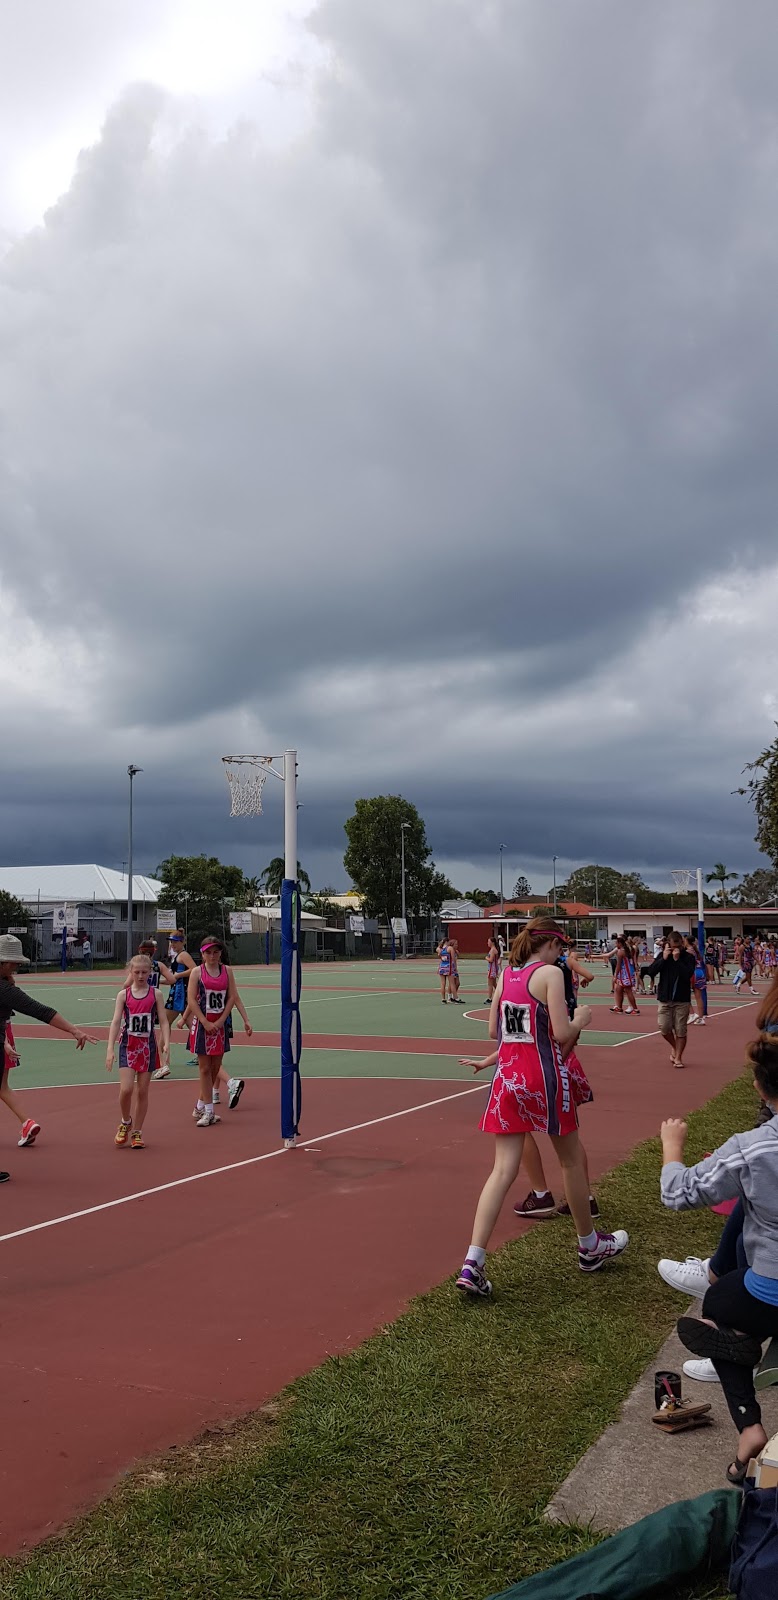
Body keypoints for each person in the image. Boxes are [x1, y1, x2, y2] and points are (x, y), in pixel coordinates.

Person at [455, 918, 628, 1295]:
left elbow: (494, 1031)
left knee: (501, 1170)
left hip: (508, 1078)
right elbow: (563, 1033)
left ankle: (473, 1261)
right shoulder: (549, 973)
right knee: (568, 1159)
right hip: (544, 1077)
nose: (561, 954)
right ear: (549, 944)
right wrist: (582, 1017)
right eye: (560, 947)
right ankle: (589, 1245)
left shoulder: (506, 976)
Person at [660, 1032, 778, 1483]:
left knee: (718, 1309)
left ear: (760, 1088)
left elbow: (678, 1193)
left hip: (767, 1293)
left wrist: (672, 1147)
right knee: (730, 1306)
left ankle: (749, 1425)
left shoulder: (751, 1149)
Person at [512, 943, 600, 1221]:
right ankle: (583, 1197)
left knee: (522, 1127)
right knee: (569, 1140)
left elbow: (521, 1037)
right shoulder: (554, 978)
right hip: (556, 1062)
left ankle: (541, 1195)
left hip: (543, 1067)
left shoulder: (533, 982)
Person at [0, 933, 97, 1158]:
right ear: (3, 962)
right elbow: (40, 1011)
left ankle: (26, 1123)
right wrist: (73, 1030)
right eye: (13, 962)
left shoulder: (5, 987)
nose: (16, 966)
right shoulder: (5, 990)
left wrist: (3, 1041)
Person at [106, 953, 170, 1148]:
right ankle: (126, 1121)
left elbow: (164, 1020)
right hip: (128, 1045)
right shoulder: (123, 995)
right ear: (130, 972)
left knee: (142, 1091)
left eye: (144, 972)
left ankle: (138, 1132)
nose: (141, 976)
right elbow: (116, 1021)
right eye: (137, 972)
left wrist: (166, 1042)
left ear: (150, 972)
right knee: (126, 1089)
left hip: (147, 1047)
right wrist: (110, 1049)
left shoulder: (155, 994)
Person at [186, 936, 245, 1126]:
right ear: (202, 954)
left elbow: (232, 997)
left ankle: (200, 1105)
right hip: (203, 1025)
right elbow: (192, 1000)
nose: (212, 956)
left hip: (219, 1025)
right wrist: (204, 1021)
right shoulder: (197, 972)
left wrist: (220, 1021)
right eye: (208, 952)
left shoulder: (227, 971)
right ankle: (209, 1111)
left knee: (215, 1067)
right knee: (204, 1067)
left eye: (216, 952)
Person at [645, 934, 696, 1067]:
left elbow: (687, 975)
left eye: (678, 946)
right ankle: (675, 1047)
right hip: (665, 999)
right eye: (673, 946)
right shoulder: (663, 956)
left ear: (682, 944)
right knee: (664, 1028)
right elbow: (651, 971)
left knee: (681, 1030)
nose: (676, 949)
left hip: (682, 999)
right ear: (668, 944)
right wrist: (664, 958)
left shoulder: (688, 957)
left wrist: (677, 959)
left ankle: (678, 1057)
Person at [163, 931, 196, 1049]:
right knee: (191, 1024)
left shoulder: (183, 955)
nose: (173, 944)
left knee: (165, 1023)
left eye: (175, 942)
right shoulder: (176, 956)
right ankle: (201, 1053)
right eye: (171, 942)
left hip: (179, 994)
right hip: (179, 992)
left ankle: (160, 1053)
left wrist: (178, 975)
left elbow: (194, 969)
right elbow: (172, 978)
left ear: (183, 942)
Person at [601, 936, 641, 1015]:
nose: (615, 944)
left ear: (620, 943)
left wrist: (615, 975)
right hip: (628, 972)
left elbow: (618, 965)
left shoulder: (621, 952)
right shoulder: (629, 949)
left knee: (628, 990)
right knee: (618, 989)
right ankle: (619, 1007)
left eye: (616, 943)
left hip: (625, 973)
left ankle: (635, 1009)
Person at [685, 936, 708, 1026]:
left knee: (685, 995)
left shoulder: (688, 951)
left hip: (693, 973)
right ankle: (701, 1018)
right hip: (700, 972)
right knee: (698, 997)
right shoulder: (696, 951)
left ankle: (692, 1014)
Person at [485, 936, 501, 1005]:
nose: (487, 943)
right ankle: (501, 994)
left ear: (492, 942)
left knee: (490, 984)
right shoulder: (494, 949)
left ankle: (489, 998)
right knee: (494, 984)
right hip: (494, 968)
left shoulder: (493, 950)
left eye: (488, 942)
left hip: (492, 969)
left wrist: (486, 958)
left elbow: (491, 960)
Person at [436, 938, 452, 1004]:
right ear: (447, 942)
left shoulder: (439, 949)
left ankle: (443, 998)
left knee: (443, 984)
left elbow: (439, 955)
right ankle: (449, 997)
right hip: (448, 966)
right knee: (451, 982)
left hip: (442, 966)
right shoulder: (449, 948)